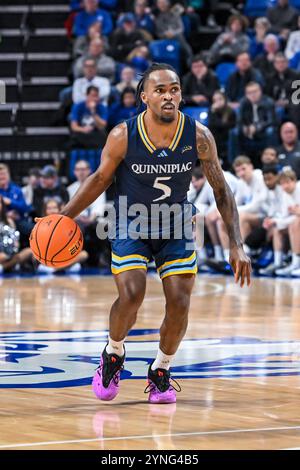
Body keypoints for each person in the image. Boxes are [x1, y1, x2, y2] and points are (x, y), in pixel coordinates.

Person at [45, 63, 250, 404]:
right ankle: (113, 354)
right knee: (132, 294)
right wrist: (63, 217)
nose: (168, 95)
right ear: (144, 97)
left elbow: (221, 189)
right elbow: (99, 179)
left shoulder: (198, 136)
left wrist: (237, 243)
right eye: (160, 90)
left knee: (180, 302)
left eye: (174, 89)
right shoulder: (123, 135)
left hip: (176, 224)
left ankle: (161, 370)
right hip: (131, 221)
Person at [260, 169, 300, 276]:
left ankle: (296, 264)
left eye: (287, 182)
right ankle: (278, 262)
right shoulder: (285, 195)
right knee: (278, 228)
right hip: (294, 224)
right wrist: (274, 221)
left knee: (295, 222)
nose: (285, 186)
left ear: (294, 180)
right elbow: (284, 216)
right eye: (282, 184)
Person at [233, 82, 277, 166]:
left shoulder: (268, 102)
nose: (252, 95)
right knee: (234, 132)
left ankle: (270, 162)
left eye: (255, 92)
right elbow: (239, 121)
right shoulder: (243, 103)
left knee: (270, 131)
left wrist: (257, 127)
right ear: (246, 94)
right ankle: (237, 162)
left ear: (260, 91)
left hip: (263, 132)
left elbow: (271, 121)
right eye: (249, 93)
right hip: (248, 132)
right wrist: (244, 128)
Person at [70, 85, 108, 151]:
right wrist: (83, 129)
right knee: (73, 139)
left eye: (97, 96)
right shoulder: (78, 106)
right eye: (93, 96)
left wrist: (93, 112)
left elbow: (103, 126)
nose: (95, 98)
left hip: (96, 133)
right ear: (87, 96)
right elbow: (74, 126)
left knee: (103, 137)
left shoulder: (102, 107)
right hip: (81, 132)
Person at [208, 90, 236, 168]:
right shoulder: (212, 111)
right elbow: (212, 124)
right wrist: (213, 113)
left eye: (220, 99)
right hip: (216, 137)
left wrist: (219, 123)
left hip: (226, 136)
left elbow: (228, 126)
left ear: (225, 99)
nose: (218, 102)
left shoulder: (230, 111)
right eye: (215, 100)